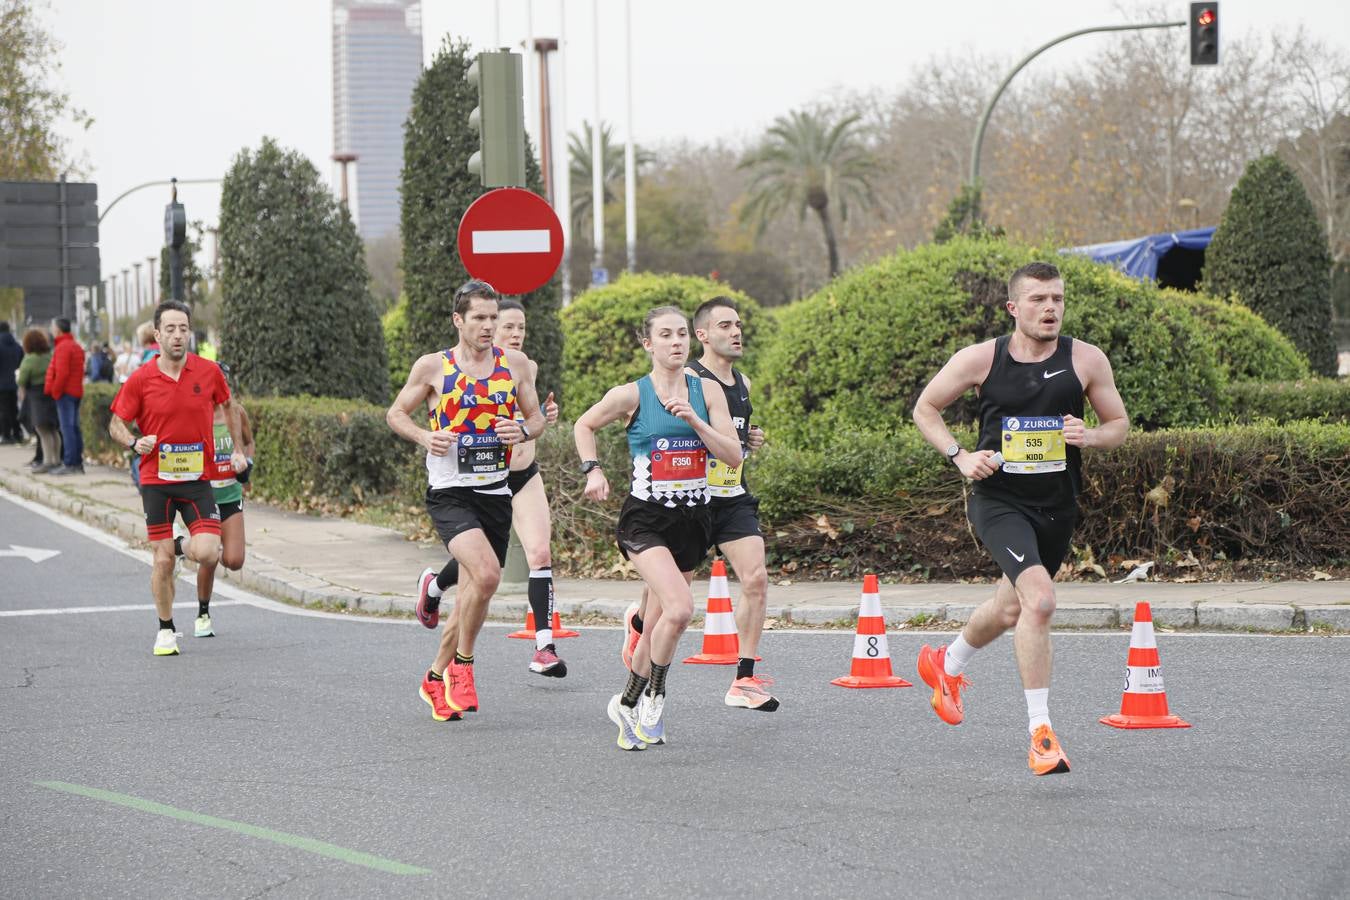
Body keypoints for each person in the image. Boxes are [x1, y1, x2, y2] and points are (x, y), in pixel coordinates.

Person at [911, 261, 1130, 776]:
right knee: (1042, 599)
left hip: (1057, 505)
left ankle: (946, 663)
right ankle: (1041, 733)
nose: (1049, 308)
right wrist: (960, 456)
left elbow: (1117, 424)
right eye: (1037, 299)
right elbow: (925, 408)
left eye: (1056, 298)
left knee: (1011, 608)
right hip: (998, 499)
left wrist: (1090, 436)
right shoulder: (981, 358)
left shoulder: (1086, 359)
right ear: (1013, 307)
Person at [574, 306, 742, 751]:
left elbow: (733, 456)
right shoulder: (631, 394)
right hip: (646, 520)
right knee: (681, 609)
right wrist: (593, 470)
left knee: (657, 626)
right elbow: (584, 424)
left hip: (694, 519)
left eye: (682, 334)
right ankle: (656, 694)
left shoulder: (706, 392)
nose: (676, 342)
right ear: (648, 344)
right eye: (665, 335)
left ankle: (626, 704)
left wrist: (694, 420)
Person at [387, 280, 547, 722]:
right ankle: (465, 666)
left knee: (477, 590)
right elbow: (396, 413)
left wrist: (525, 430)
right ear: (458, 320)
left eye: (494, 318)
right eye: (479, 317)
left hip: (494, 491)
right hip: (450, 492)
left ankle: (435, 677)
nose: (488, 326)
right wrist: (424, 435)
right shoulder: (433, 367)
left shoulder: (515, 365)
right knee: (488, 574)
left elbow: (534, 418)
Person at [621, 297, 778, 711]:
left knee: (757, 578)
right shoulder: (686, 379)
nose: (737, 332)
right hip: (690, 502)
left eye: (739, 324)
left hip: (734, 496)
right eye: (726, 325)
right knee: (668, 608)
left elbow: (732, 439)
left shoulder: (741, 384)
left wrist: (749, 439)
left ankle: (743, 679)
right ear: (704, 335)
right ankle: (638, 637)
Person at [415, 299, 566, 677]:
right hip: (470, 481)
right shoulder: (459, 366)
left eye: (521, 327)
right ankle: (435, 590)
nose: (516, 334)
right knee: (480, 567)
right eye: (507, 327)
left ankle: (544, 645)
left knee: (540, 553)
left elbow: (531, 418)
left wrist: (541, 420)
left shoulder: (523, 366)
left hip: (521, 473)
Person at [109, 300, 246, 657]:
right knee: (163, 561)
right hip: (156, 479)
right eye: (170, 329)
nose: (178, 335)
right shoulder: (141, 379)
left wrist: (236, 449)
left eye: (183, 328)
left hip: (196, 480)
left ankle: (181, 543)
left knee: (208, 551)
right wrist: (134, 442)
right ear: (157, 335)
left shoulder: (208, 371)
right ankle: (166, 629)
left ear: (190, 333)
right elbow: (116, 424)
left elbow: (228, 405)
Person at [181, 362, 255, 639]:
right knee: (209, 558)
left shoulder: (236, 413)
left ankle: (187, 546)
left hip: (230, 494)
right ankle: (203, 613)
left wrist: (245, 466)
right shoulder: (195, 413)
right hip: (203, 497)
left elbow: (248, 443)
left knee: (234, 561)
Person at [43, 317, 85, 475]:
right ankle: (77, 463)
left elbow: (62, 373)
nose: (51, 330)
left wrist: (55, 391)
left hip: (65, 393)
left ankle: (70, 463)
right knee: (74, 428)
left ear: (58, 330)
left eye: (52, 327)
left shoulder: (62, 347)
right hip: (75, 391)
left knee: (67, 428)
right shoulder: (75, 345)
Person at [17, 329, 60, 471]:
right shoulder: (49, 356)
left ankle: (47, 462)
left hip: (36, 397)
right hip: (51, 395)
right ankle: (57, 460)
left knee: (42, 430)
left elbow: (22, 380)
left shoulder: (30, 359)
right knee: (53, 430)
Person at [0, 322, 24, 444]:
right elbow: (21, 362)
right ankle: (17, 433)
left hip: (1, 383)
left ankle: (5, 435)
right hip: (12, 382)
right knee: (13, 409)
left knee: (3, 409)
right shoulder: (16, 345)